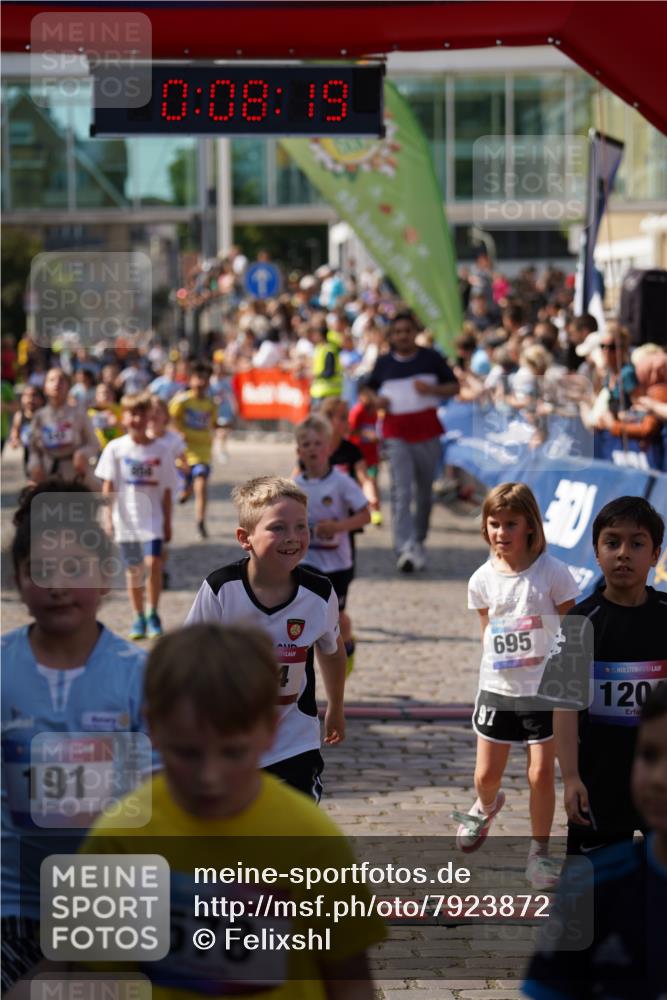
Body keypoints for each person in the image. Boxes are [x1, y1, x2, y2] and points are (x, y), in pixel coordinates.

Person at [80, 623, 385, 1000]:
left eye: (233, 752)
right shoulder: (118, 841)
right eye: (188, 753)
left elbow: (349, 976)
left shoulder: (309, 840)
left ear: (270, 730)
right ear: (154, 728)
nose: (210, 778)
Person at [1, 480, 150, 993]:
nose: (58, 585)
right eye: (41, 570)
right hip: (10, 896)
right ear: (18, 580)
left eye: (74, 569)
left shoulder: (142, 675)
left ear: (106, 576)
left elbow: (171, 789)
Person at [185, 476, 347, 803]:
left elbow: (331, 652)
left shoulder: (318, 593)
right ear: (245, 538)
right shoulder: (221, 588)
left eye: (301, 526)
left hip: (293, 740)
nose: (293, 538)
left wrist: (336, 707)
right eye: (278, 528)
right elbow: (189, 657)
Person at [453, 482, 580, 889]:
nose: (501, 533)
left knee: (542, 774)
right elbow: (487, 628)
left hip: (544, 692)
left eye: (511, 524)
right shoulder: (481, 579)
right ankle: (487, 805)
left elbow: (572, 629)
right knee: (486, 775)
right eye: (494, 524)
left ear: (530, 526)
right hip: (497, 689)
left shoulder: (553, 573)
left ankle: (539, 854)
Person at [522, 684, 667, 999]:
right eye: (649, 755)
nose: (659, 778)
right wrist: (572, 775)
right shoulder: (587, 887)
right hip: (600, 782)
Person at [539, 496, 665, 855]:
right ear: (596, 552)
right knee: (592, 898)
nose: (623, 553)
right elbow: (564, 707)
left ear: (656, 554)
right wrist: (572, 778)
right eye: (612, 542)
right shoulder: (580, 622)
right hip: (599, 785)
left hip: (661, 784)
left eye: (637, 543)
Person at [364, 309, 459, 572]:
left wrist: (433, 390)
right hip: (396, 434)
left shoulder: (431, 358)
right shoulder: (383, 363)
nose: (403, 336)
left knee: (424, 493)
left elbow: (454, 387)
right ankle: (403, 547)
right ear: (391, 336)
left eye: (407, 331)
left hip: (427, 432)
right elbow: (368, 389)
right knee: (401, 490)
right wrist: (375, 401)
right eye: (397, 332)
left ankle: (418, 541)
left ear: (415, 333)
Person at [95, 392, 177, 640]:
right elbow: (108, 486)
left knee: (153, 565)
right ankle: (138, 616)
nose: (137, 418)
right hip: (126, 520)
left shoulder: (161, 450)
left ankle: (153, 612)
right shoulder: (115, 449)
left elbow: (166, 490)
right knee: (134, 569)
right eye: (132, 413)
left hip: (152, 520)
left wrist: (168, 522)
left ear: (149, 417)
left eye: (142, 413)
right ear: (124, 417)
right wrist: (108, 516)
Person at [294, 415, 370, 676]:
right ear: (298, 451)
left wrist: (337, 527)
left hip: (338, 563)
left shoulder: (341, 482)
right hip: (306, 561)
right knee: (305, 614)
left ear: (328, 449)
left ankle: (346, 646)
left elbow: (365, 515)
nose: (312, 449)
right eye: (306, 444)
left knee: (337, 617)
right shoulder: (295, 486)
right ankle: (304, 672)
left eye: (318, 443)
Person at [168, 361, 217, 540]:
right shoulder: (182, 401)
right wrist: (177, 432)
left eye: (206, 379)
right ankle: (186, 489)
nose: (202, 382)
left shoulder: (211, 404)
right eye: (199, 378)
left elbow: (211, 424)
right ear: (191, 379)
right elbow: (169, 418)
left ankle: (200, 521)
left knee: (201, 482)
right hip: (184, 451)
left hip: (203, 451)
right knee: (187, 486)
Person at [27, 368, 99, 485]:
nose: (57, 383)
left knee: (102, 495)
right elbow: (33, 449)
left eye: (61, 380)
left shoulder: (79, 413)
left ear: (69, 387)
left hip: (77, 473)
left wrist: (82, 454)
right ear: (45, 387)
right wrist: (34, 464)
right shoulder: (39, 416)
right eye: (52, 380)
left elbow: (94, 443)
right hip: (46, 473)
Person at [148, 396, 186, 591]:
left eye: (159, 411)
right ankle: (150, 566)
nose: (154, 414)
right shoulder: (142, 437)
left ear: (166, 415)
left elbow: (184, 462)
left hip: (167, 492)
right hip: (145, 492)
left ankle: (160, 568)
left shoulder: (173, 439)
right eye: (151, 410)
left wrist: (181, 471)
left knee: (161, 533)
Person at [348, 385, 383, 525]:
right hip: (359, 457)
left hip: (373, 455)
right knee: (360, 483)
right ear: (361, 396)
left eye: (371, 394)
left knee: (373, 481)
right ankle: (359, 511)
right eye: (366, 395)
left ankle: (376, 512)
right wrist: (364, 433)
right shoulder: (357, 411)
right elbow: (350, 431)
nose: (369, 398)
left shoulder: (376, 412)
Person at [8, 384, 45, 476]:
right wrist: (15, 440)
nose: (30, 399)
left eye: (34, 395)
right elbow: (15, 432)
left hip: (46, 454)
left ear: (42, 399)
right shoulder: (19, 416)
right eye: (26, 395)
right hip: (29, 455)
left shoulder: (46, 415)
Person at [87, 381, 124, 452]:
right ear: (96, 396)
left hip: (118, 449)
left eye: (108, 392)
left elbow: (128, 430)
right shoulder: (90, 413)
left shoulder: (120, 410)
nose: (105, 395)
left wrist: (117, 423)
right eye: (102, 393)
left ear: (113, 395)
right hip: (99, 450)